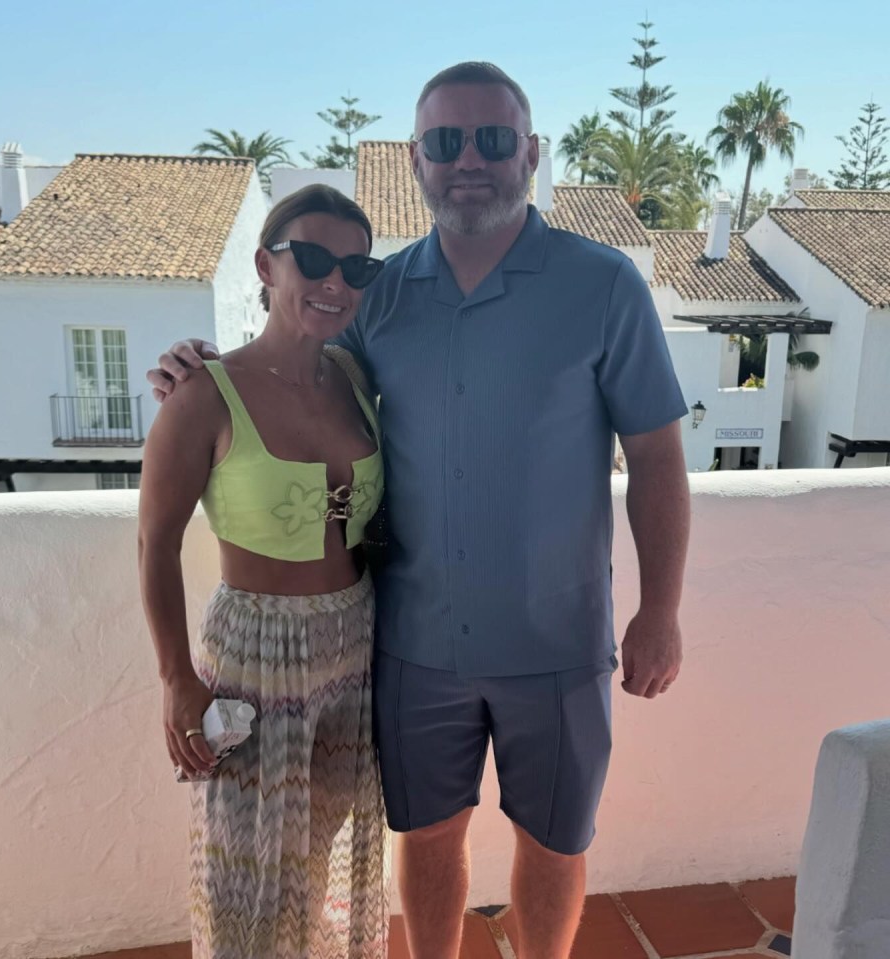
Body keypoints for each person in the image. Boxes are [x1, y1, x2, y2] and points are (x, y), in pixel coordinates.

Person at [150, 62, 691, 959]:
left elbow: (660, 458)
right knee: (428, 836)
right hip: (410, 644)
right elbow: (296, 356)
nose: (469, 159)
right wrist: (198, 366)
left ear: (531, 152)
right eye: (446, 141)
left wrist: (661, 611)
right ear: (417, 159)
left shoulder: (604, 286)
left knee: (558, 843)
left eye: (492, 139)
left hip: (558, 642)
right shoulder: (379, 291)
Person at [138, 184, 390, 959]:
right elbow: (155, 541)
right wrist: (178, 677)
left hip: (354, 645)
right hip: (252, 653)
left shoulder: (355, 377)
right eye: (311, 258)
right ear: (264, 266)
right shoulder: (203, 394)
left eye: (355, 267)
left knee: (319, 861)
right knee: (242, 872)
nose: (335, 282)